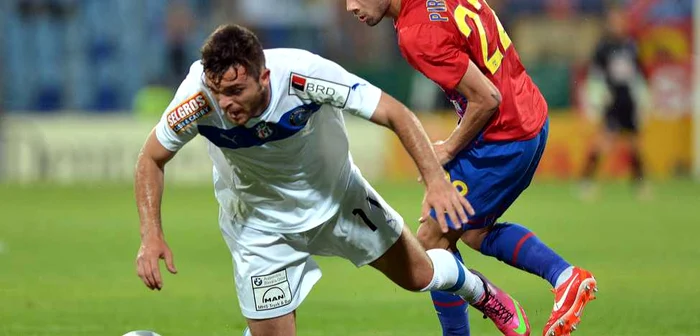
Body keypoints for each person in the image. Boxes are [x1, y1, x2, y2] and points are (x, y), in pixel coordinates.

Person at [133, 24, 529, 336]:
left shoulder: (304, 75)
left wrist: (435, 180)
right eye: (219, 93)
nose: (226, 104)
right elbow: (151, 157)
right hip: (259, 227)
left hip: (341, 200)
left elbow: (395, 113)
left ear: (264, 76)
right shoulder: (197, 98)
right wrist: (151, 234)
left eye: (236, 90)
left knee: (419, 275)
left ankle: (482, 293)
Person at [345, 0, 597, 335]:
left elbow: (486, 98)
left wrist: (449, 147)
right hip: (529, 115)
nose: (350, 6)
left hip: (501, 138)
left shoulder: (417, 32)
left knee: (432, 240)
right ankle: (562, 278)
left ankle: (559, 280)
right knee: (474, 231)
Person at [581, 7, 650, 201]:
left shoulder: (632, 45)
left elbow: (639, 74)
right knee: (603, 142)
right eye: (614, 21)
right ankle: (586, 181)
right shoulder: (603, 47)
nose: (617, 24)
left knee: (635, 145)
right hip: (612, 100)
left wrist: (643, 100)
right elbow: (595, 76)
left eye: (620, 20)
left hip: (628, 100)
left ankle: (639, 184)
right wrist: (595, 100)